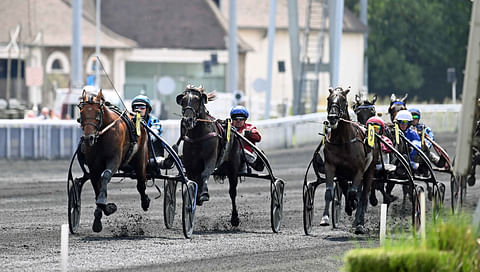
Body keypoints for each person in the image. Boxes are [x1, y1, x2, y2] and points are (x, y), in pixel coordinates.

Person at [131, 94, 173, 169]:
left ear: (147, 109)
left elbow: (155, 133)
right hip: (132, 156)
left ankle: (165, 162)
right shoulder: (129, 121)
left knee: (157, 141)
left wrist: (143, 137)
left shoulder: (154, 121)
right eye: (136, 107)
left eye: (142, 107)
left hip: (151, 154)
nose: (139, 110)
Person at [230, 106, 263, 172]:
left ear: (245, 120)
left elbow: (258, 138)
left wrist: (249, 133)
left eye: (241, 119)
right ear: (232, 119)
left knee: (241, 151)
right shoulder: (227, 127)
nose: (238, 121)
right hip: (229, 154)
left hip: (242, 158)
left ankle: (255, 164)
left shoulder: (250, 128)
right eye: (235, 119)